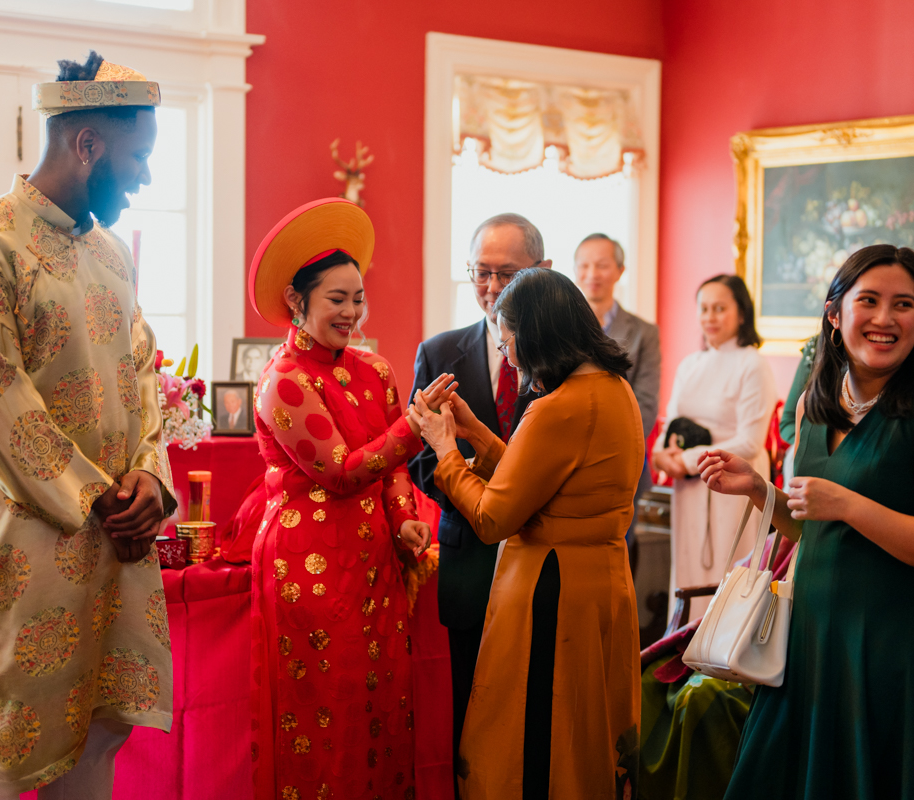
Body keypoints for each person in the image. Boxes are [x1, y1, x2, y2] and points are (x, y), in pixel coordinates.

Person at [0, 51, 176, 797]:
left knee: (100, 733)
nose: (144, 177)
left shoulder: (109, 255)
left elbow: (141, 373)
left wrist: (151, 482)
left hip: (118, 538)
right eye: (138, 157)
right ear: (87, 144)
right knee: (4, 739)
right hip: (27, 542)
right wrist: (100, 497)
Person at [698, 243, 914, 799]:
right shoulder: (812, 403)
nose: (884, 318)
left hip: (887, 646)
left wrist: (850, 504)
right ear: (835, 314)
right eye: (869, 301)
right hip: (808, 637)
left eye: (903, 304)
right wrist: (761, 491)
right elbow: (812, 528)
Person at [416, 267, 643, 800]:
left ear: (535, 331)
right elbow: (546, 481)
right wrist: (475, 432)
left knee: (539, 736)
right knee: (586, 726)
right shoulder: (611, 389)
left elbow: (496, 517)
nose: (507, 351)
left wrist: (447, 450)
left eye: (509, 334)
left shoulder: (556, 407)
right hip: (600, 581)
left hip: (553, 590)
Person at [246, 197, 434, 800]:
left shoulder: (376, 370)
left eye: (358, 298)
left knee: (382, 704)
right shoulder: (284, 382)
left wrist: (405, 520)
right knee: (326, 715)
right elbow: (342, 473)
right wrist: (415, 426)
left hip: (375, 558)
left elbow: (390, 474)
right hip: (309, 566)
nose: (352, 311)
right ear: (298, 303)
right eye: (337, 299)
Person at [407, 212, 547, 781]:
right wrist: (479, 488)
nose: (491, 289)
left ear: (540, 272)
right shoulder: (440, 351)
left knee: (537, 707)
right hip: (470, 556)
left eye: (505, 274)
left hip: (543, 556)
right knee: (472, 708)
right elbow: (420, 458)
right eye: (480, 274)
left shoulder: (563, 362)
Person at [652, 274, 776, 617]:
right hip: (689, 489)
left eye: (719, 308)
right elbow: (672, 421)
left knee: (728, 564)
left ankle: (728, 656)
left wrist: (689, 461)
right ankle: (686, 651)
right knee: (690, 564)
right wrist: (662, 454)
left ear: (741, 313)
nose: (710, 316)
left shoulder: (753, 364)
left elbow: (750, 440)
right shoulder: (691, 364)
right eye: (704, 308)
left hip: (733, 483)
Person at [575, 233, 661, 539]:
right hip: (567, 463)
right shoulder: (562, 330)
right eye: (583, 266)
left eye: (601, 265)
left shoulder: (644, 333)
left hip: (623, 465)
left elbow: (647, 404)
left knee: (617, 556)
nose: (592, 275)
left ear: (620, 271)